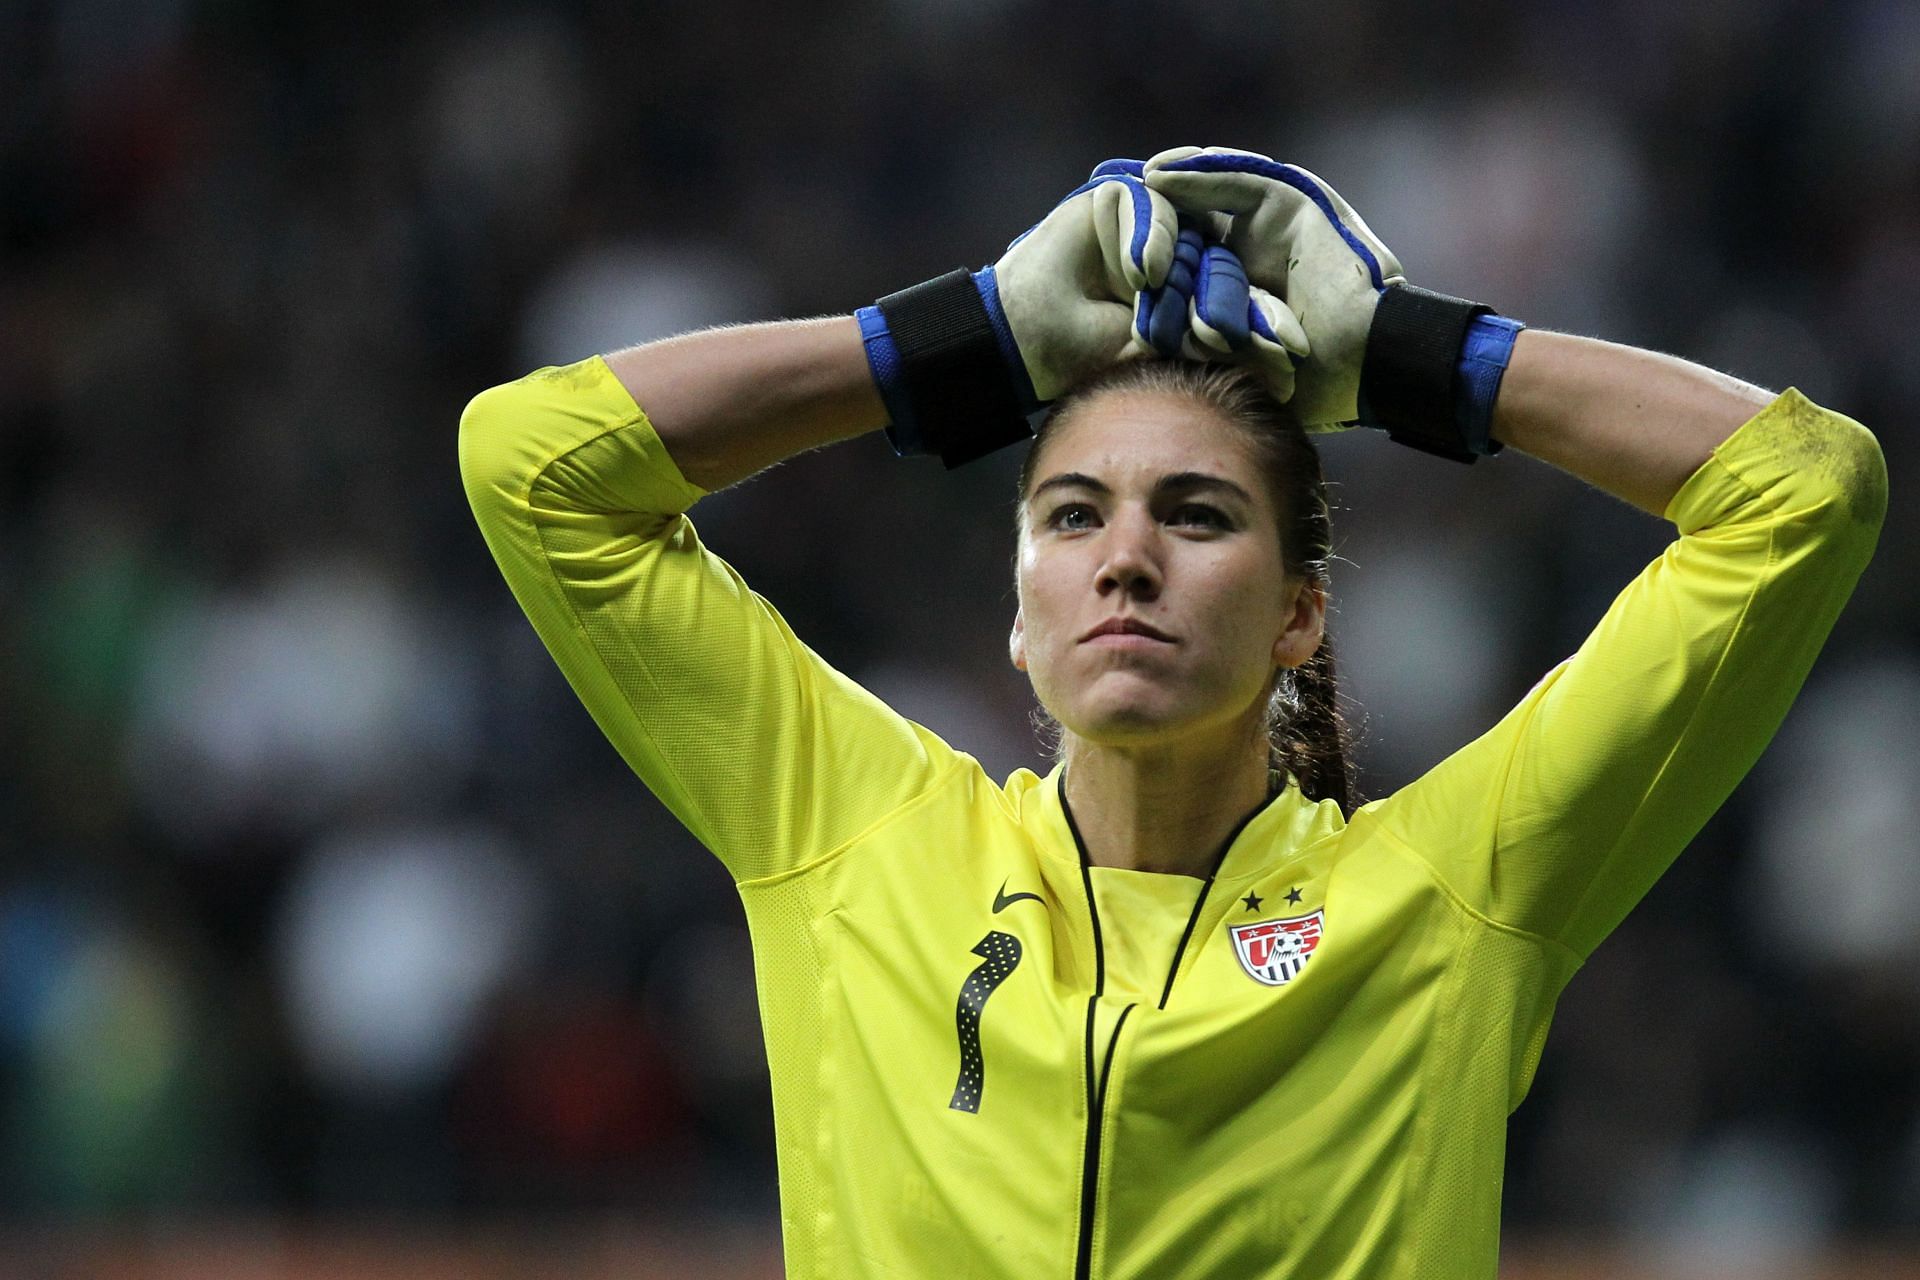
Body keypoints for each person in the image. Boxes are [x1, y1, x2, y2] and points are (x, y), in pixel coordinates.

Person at [457, 147, 1886, 1278]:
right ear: (1021, 613)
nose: (1127, 556)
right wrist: (975, 342)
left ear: (1299, 615)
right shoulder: (859, 846)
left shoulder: (1446, 902)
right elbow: (528, 464)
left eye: (1197, 515)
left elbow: (1803, 493)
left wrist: (1408, 356)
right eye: (1073, 515)